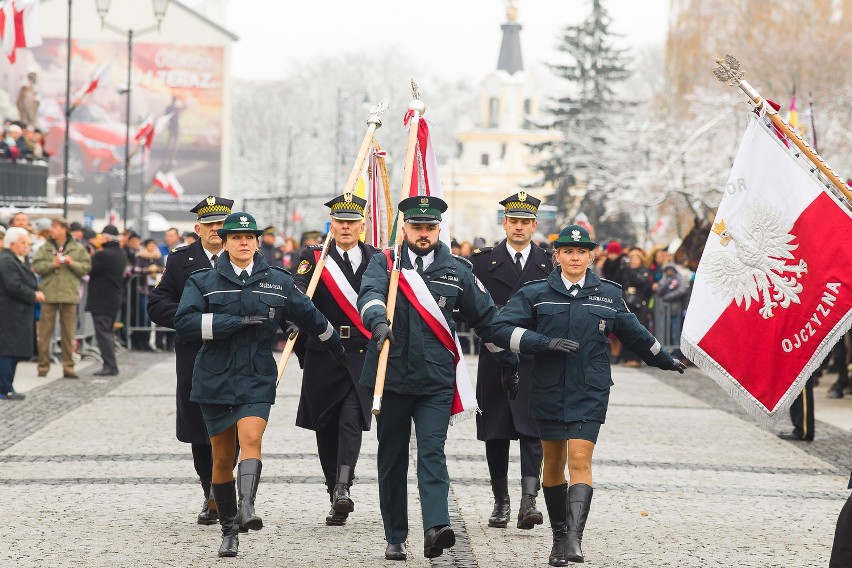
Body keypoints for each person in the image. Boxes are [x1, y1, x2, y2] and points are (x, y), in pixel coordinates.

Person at [491, 224, 685, 566]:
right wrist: (542, 343)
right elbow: (501, 328)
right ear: (557, 256)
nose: (575, 257)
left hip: (589, 389)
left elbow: (634, 332)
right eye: (568, 251)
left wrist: (663, 358)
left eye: (581, 252)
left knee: (580, 460)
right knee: (553, 463)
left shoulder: (607, 294)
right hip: (548, 388)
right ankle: (559, 537)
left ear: (590, 255)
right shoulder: (537, 292)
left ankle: (574, 541)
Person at [174, 211, 348, 558]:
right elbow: (184, 321)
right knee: (222, 459)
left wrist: (337, 347)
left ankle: (247, 507)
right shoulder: (204, 281)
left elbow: (310, 315)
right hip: (215, 377)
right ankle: (228, 530)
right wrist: (230, 323)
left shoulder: (277, 281)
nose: (244, 243)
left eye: (250, 238)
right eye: (237, 237)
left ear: (257, 243)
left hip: (257, 375)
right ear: (224, 242)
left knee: (251, 438)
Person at [357, 196, 518, 561]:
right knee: (392, 457)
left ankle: (436, 527)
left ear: (439, 229)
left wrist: (508, 362)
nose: (424, 234)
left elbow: (488, 321)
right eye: (417, 227)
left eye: (430, 228)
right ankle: (396, 534)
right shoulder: (384, 263)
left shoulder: (457, 270)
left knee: (432, 452)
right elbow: (368, 295)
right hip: (392, 375)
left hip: (435, 380)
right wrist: (377, 320)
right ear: (405, 229)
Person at [148, 196, 234, 526]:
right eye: (210, 225)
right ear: (198, 229)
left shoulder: (244, 256)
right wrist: (194, 319)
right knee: (199, 427)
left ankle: (223, 491)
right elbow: (157, 305)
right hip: (195, 354)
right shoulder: (180, 260)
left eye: (221, 225)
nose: (216, 230)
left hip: (233, 353)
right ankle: (209, 490)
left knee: (233, 422)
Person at [293, 193, 377, 526]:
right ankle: (334, 492)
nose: (345, 227)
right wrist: (298, 297)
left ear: (362, 225)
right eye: (339, 222)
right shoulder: (314, 257)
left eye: (351, 222)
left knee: (351, 420)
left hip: (360, 352)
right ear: (332, 225)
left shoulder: (377, 258)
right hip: (324, 354)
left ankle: (344, 488)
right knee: (326, 427)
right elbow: (298, 288)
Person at [470, 192, 551, 531]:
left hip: (535, 359)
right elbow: (472, 310)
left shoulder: (549, 264)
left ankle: (528, 501)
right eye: (513, 221)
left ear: (534, 225)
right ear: (504, 224)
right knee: (497, 432)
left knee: (535, 431)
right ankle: (501, 501)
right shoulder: (482, 263)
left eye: (525, 222)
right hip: (495, 356)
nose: (518, 227)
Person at [32, 217, 91, 379]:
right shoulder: (45, 248)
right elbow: (36, 266)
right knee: (44, 333)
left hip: (69, 294)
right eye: (52, 227)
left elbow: (86, 267)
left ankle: (68, 367)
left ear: (64, 229)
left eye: (56, 227)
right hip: (49, 294)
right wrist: (53, 264)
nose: (52, 230)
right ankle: (43, 366)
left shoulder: (77, 248)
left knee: (68, 333)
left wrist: (72, 263)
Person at [0, 227, 43, 400]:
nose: (26, 246)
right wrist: (33, 295)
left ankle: (7, 386)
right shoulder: (6, 260)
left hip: (19, 313)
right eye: (23, 243)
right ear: (12, 244)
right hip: (9, 313)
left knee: (14, 351)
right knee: (7, 351)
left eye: (27, 243)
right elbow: (13, 285)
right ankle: (4, 388)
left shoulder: (19, 260)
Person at [86, 225, 126, 376]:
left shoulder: (103, 255)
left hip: (102, 299)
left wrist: (91, 256)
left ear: (106, 238)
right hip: (113, 298)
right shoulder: (120, 253)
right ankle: (110, 365)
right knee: (107, 332)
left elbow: (89, 269)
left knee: (103, 334)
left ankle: (110, 366)